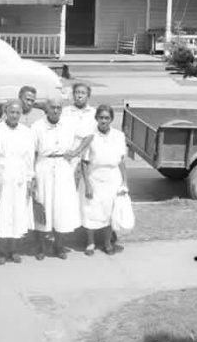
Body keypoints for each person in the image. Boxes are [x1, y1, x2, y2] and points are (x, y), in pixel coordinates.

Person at [31, 97, 87, 260]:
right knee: (43, 205)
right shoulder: (37, 126)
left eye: (58, 108)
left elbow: (88, 135)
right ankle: (41, 247)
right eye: (52, 108)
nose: (55, 110)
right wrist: (32, 177)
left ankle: (59, 246)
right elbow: (32, 152)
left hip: (63, 166)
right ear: (46, 109)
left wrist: (76, 152)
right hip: (43, 166)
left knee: (61, 207)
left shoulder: (69, 124)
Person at [0, 100, 36, 264]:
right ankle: (1, 250)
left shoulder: (26, 132)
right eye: (11, 112)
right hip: (2, 177)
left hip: (20, 177)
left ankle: (14, 249)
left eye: (17, 113)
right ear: (6, 112)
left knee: (18, 213)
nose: (14, 115)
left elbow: (29, 158)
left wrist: (30, 179)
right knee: (2, 213)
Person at [80, 105, 129, 256]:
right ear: (96, 118)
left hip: (112, 178)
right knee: (91, 210)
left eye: (107, 118)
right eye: (101, 117)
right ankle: (90, 243)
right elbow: (84, 162)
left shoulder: (119, 136)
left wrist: (124, 183)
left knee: (110, 212)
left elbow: (121, 161)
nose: (103, 120)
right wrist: (87, 184)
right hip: (94, 177)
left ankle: (107, 242)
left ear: (111, 119)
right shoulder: (90, 136)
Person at [62, 83, 97, 184]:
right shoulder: (66, 112)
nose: (79, 95)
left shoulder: (93, 113)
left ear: (88, 96)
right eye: (77, 92)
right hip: (70, 153)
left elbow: (92, 135)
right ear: (73, 95)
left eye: (83, 93)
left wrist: (78, 151)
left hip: (87, 154)